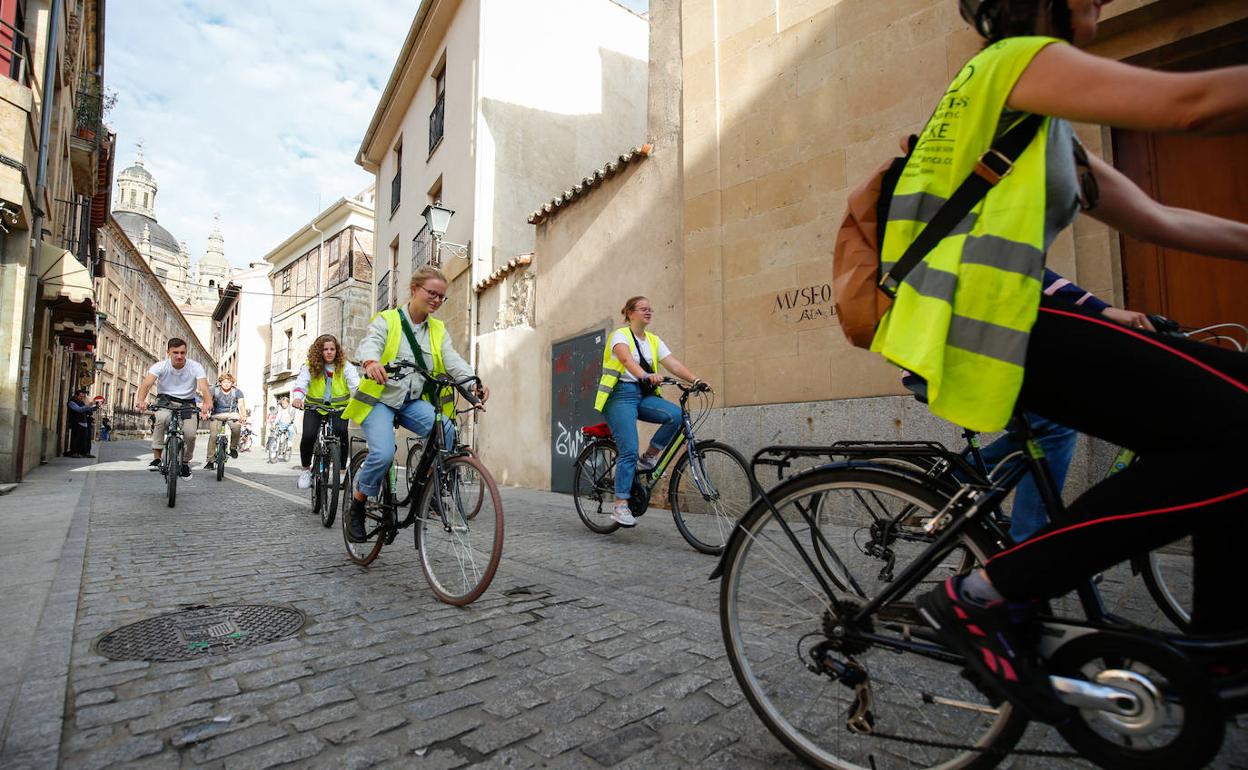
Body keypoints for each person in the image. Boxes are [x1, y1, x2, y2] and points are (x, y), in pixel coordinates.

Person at [864, 0, 1248, 723]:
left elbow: (1162, 219)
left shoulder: (1047, 129)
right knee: (1235, 431)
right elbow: (1190, 104)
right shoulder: (1017, 61)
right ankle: (985, 594)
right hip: (994, 325)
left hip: (1006, 322)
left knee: (1226, 426)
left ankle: (1221, 650)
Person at [343, 266, 489, 542]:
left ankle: (429, 491)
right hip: (380, 400)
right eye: (431, 293)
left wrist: (472, 382)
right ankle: (358, 504)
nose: (436, 300)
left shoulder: (438, 329)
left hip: (410, 401)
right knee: (384, 454)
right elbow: (370, 343)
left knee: (447, 430)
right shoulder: (388, 320)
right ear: (414, 290)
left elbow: (452, 360)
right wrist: (371, 362)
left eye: (441, 296)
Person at [594, 296, 705, 528]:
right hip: (620, 396)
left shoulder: (654, 341)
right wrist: (644, 375)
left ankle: (650, 457)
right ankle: (620, 505)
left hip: (643, 395)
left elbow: (672, 363)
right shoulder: (620, 336)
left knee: (675, 415)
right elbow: (625, 359)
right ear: (630, 313)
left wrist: (696, 380)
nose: (648, 312)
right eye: (643, 309)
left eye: (650, 309)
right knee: (628, 450)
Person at [137, 338, 212, 478]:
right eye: (175, 352)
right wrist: (141, 400)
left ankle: (184, 462)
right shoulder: (160, 366)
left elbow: (203, 387)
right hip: (165, 401)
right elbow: (147, 384)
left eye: (183, 353)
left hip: (187, 403)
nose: (179, 356)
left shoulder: (195, 367)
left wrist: (207, 403)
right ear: (168, 352)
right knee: (161, 419)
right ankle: (157, 458)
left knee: (190, 434)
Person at [292, 334, 360, 489]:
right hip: (314, 408)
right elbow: (301, 383)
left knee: (341, 432)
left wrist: (363, 399)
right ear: (318, 351)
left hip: (339, 408)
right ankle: (306, 471)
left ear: (337, 351)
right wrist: (297, 398)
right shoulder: (309, 366)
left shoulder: (345, 366)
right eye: (325, 349)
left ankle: (342, 471)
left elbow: (356, 386)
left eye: (332, 349)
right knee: (308, 435)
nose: (329, 352)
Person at [204, 373, 248, 470]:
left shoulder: (237, 392)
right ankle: (210, 461)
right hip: (217, 415)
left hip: (232, 414)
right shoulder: (214, 390)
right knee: (213, 435)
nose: (227, 384)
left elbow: (241, 405)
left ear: (232, 383)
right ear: (220, 383)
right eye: (224, 382)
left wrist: (243, 415)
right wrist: (206, 412)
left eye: (229, 382)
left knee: (237, 427)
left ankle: (233, 448)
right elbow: (208, 402)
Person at [65, 388, 97, 458]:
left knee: (84, 440)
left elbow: (87, 411)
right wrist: (89, 405)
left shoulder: (82, 402)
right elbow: (79, 410)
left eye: (83, 397)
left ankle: (84, 452)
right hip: (76, 423)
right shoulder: (71, 402)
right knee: (75, 439)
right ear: (76, 396)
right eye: (80, 396)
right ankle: (74, 452)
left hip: (84, 423)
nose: (82, 398)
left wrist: (94, 407)